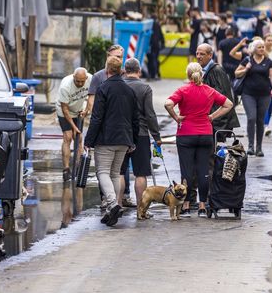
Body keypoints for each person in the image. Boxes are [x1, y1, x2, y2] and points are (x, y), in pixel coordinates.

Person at [164, 63, 233, 216]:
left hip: (186, 135)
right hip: (205, 135)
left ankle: (186, 205)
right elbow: (229, 104)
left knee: (187, 171)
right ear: (201, 74)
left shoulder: (183, 90)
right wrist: (212, 117)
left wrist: (176, 117)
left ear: (188, 75)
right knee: (203, 171)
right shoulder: (209, 91)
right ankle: (202, 206)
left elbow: (168, 103)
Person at [84, 56, 139, 227]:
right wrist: (133, 141)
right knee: (116, 173)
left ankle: (113, 203)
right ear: (121, 70)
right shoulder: (129, 90)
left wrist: (88, 140)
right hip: (124, 139)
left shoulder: (104, 88)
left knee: (102, 172)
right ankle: (112, 208)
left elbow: (97, 117)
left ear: (107, 70)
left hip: (106, 138)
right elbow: (135, 118)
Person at [117, 58, 161, 217]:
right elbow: (150, 114)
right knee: (140, 173)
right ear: (139, 71)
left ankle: (117, 206)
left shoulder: (118, 85)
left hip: (120, 134)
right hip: (141, 134)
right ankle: (140, 211)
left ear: (124, 70)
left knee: (120, 172)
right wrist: (156, 135)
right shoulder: (144, 88)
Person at [234, 39, 272, 157]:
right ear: (254, 49)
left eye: (263, 47)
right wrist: (246, 69)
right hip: (248, 94)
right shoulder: (247, 60)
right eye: (260, 47)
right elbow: (236, 73)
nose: (262, 49)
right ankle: (250, 146)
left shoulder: (269, 62)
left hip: (264, 95)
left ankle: (259, 148)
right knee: (251, 118)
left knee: (260, 121)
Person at [196, 43, 240, 141]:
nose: (199, 57)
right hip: (209, 121)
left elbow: (223, 97)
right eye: (197, 54)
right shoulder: (202, 70)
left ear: (210, 55)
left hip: (216, 122)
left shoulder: (216, 71)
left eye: (202, 54)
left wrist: (218, 124)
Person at [56, 67, 92, 181]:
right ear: (73, 77)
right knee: (68, 137)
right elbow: (65, 110)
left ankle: (79, 168)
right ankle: (66, 169)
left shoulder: (91, 79)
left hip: (78, 110)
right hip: (64, 111)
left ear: (86, 78)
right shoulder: (65, 86)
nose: (80, 83)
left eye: (82, 81)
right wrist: (74, 127)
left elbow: (92, 96)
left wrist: (87, 110)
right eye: (77, 81)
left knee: (79, 138)